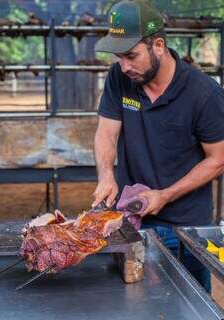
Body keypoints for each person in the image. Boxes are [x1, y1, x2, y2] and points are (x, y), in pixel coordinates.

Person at [92, 0, 224, 292]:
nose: (124, 66)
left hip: (185, 228)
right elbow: (106, 133)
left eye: (131, 56)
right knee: (132, 302)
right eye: (119, 57)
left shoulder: (204, 93)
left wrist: (164, 195)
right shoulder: (119, 79)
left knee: (188, 301)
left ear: (159, 45)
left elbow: (218, 159)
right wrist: (106, 175)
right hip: (131, 221)